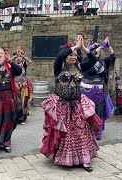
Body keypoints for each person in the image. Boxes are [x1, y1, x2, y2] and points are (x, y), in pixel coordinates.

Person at [40, 35, 103, 172]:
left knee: (81, 132)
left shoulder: (79, 67)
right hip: (63, 105)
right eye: (70, 55)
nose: (73, 57)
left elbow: (93, 60)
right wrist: (73, 47)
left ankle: (84, 160)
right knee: (66, 133)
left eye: (75, 55)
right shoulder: (58, 67)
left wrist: (84, 48)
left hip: (77, 104)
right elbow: (59, 56)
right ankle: (65, 158)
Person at [80, 37, 115, 140]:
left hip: (99, 91)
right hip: (86, 91)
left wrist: (109, 46)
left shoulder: (103, 62)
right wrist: (97, 47)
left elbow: (112, 57)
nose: (97, 52)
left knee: (98, 110)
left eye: (98, 51)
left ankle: (97, 132)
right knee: (86, 111)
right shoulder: (85, 63)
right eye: (94, 51)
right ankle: (85, 131)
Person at [13, 47, 33, 125]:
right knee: (16, 101)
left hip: (24, 85)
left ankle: (22, 117)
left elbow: (29, 61)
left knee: (24, 101)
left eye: (20, 56)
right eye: (17, 56)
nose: (19, 58)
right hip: (15, 85)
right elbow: (8, 61)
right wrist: (15, 56)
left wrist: (22, 55)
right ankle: (15, 117)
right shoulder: (12, 64)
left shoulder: (24, 64)